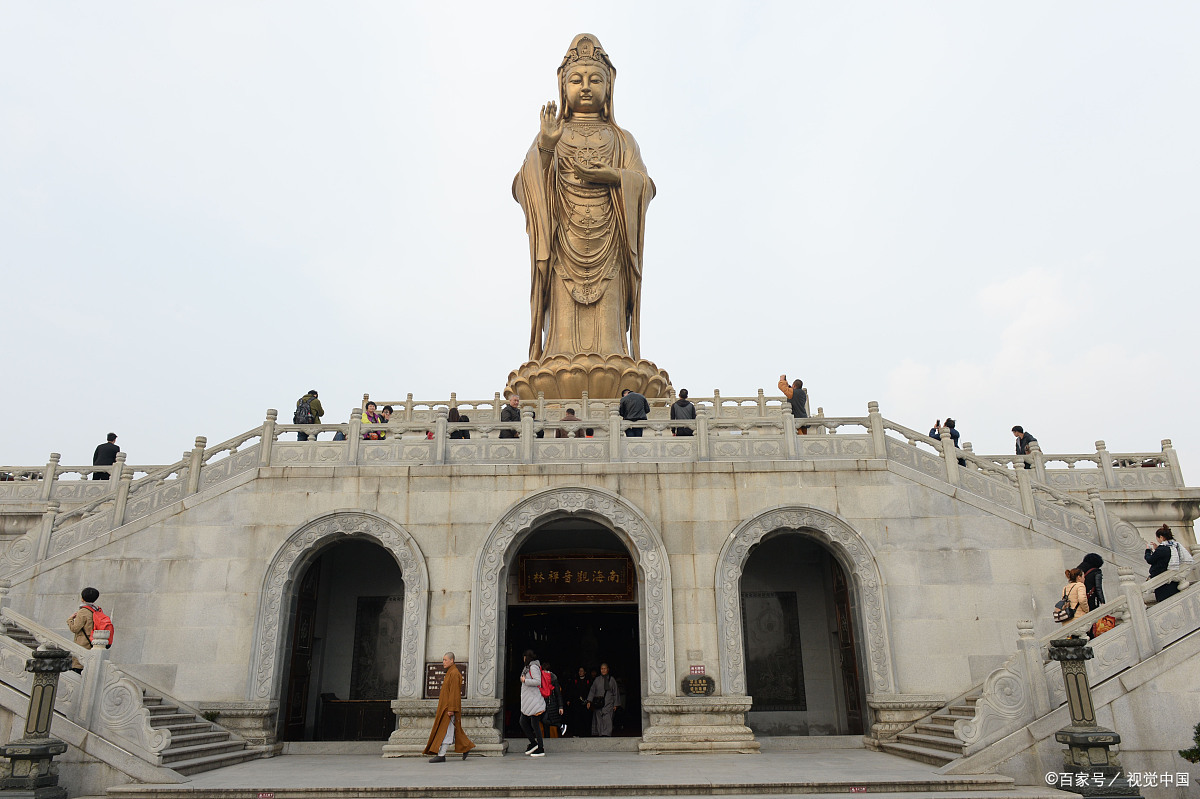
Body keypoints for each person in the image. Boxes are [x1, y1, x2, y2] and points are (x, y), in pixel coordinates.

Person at [514, 34, 654, 363]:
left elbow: (644, 185)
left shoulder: (622, 140)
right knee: (562, 338)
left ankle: (616, 356)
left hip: (612, 241)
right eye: (576, 79)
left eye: (595, 79)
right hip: (564, 241)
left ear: (609, 88)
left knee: (610, 336)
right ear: (563, 87)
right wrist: (547, 147)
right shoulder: (552, 133)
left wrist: (614, 177)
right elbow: (525, 184)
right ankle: (557, 355)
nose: (586, 86)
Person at [424, 652, 475, 762]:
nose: (443, 662)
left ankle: (442, 754)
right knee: (452, 730)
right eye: (443, 660)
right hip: (446, 708)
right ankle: (466, 747)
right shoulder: (450, 673)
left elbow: (454, 693)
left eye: (445, 660)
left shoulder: (454, 673)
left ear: (452, 660)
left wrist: (451, 709)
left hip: (449, 709)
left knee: (447, 731)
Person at [1145, 524, 1191, 602]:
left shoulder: (1162, 549)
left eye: (1157, 538)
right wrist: (1157, 549)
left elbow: (1150, 560)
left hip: (1163, 582)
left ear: (1161, 537)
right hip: (1174, 580)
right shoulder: (1175, 546)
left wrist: (1148, 551)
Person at [518, 649, 547, 756]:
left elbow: (537, 681)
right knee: (523, 721)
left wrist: (525, 681)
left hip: (534, 701)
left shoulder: (533, 667)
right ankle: (534, 743)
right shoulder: (527, 667)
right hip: (528, 701)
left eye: (524, 657)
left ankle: (540, 747)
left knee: (534, 724)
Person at [66, 586, 101, 672]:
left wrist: (70, 620)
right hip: (92, 643)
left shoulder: (83, 611)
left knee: (78, 669)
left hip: (83, 644)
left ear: (82, 598)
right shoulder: (96, 610)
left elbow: (75, 629)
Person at [586, 661, 619, 736]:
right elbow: (592, 691)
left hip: (609, 703)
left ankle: (607, 734)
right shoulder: (597, 680)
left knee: (608, 719)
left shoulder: (612, 680)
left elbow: (616, 692)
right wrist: (589, 701)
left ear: (608, 669)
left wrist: (615, 704)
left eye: (604, 668)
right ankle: (601, 734)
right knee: (599, 719)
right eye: (601, 669)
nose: (603, 670)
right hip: (598, 703)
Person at [539, 661, 567, 739]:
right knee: (544, 722)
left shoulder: (553, 679)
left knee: (545, 720)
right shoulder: (541, 679)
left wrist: (560, 706)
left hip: (551, 704)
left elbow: (558, 694)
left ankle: (560, 725)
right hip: (544, 703)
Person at [566, 666, 591, 737]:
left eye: (582, 671)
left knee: (585, 718)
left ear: (585, 672)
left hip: (585, 702)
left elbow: (590, 691)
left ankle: (586, 734)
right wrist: (569, 699)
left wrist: (588, 700)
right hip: (576, 702)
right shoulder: (575, 680)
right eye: (579, 671)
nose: (580, 672)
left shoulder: (588, 681)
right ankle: (576, 733)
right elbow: (571, 691)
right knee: (576, 718)